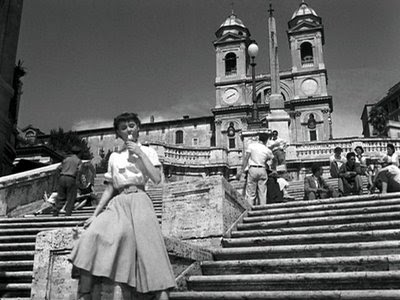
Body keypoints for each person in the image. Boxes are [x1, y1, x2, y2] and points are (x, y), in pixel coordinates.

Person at [70, 112, 175, 300]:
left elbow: (157, 179)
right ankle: (84, 294)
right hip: (118, 202)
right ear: (118, 133)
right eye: (124, 128)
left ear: (138, 128)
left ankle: (160, 292)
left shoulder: (149, 152)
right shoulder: (114, 158)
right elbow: (110, 188)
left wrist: (140, 153)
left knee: (150, 248)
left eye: (132, 126)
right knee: (91, 235)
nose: (129, 130)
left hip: (140, 198)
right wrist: (95, 214)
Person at [237, 132, 273, 206]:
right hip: (262, 169)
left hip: (253, 169)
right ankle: (263, 210)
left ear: (258, 138)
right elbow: (272, 159)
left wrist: (241, 171)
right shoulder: (267, 150)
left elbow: (246, 159)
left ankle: (250, 209)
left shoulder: (251, 146)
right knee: (262, 192)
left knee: (250, 192)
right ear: (266, 140)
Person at [53, 146, 82, 216]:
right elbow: (79, 171)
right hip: (71, 178)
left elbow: (58, 169)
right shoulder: (78, 161)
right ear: (79, 153)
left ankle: (56, 212)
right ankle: (67, 214)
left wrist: (59, 177)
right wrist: (77, 182)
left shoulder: (66, 159)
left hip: (62, 177)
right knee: (71, 198)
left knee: (60, 197)